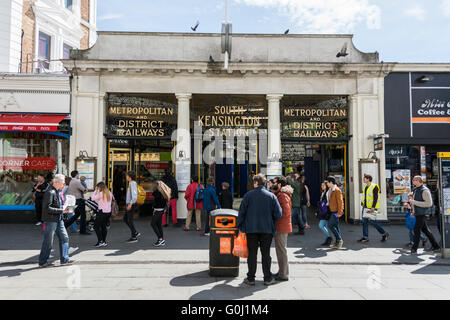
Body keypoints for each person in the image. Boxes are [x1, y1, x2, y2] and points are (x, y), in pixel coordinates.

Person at [237, 173, 282, 286]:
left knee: (252, 253)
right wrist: (271, 220)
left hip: (251, 229)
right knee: (266, 253)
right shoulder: (271, 196)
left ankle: (251, 278)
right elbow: (278, 214)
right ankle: (267, 278)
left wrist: (240, 226)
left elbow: (241, 212)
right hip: (267, 229)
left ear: (256, 183)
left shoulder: (248, 195)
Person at [38, 174, 73, 267]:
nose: (64, 184)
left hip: (59, 219)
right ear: (57, 182)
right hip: (51, 220)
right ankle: (42, 261)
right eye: (63, 182)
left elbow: (57, 204)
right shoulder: (50, 192)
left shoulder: (57, 191)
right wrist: (62, 210)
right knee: (48, 241)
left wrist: (65, 207)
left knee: (64, 237)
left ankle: (65, 259)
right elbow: (47, 208)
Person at [405, 176, 440, 255]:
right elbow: (415, 202)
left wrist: (414, 202)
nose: (412, 181)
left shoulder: (425, 190)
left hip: (422, 213)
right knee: (425, 230)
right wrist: (413, 211)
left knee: (416, 230)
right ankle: (436, 246)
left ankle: (414, 248)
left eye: (414, 180)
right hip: (418, 213)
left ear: (418, 181)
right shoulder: (416, 189)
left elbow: (429, 203)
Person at [357, 174, 389, 243]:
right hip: (365, 207)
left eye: (364, 178)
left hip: (371, 207)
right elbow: (365, 196)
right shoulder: (366, 186)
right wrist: (362, 202)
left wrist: (373, 207)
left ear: (368, 179)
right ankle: (365, 237)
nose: (363, 179)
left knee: (373, 221)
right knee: (364, 222)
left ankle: (384, 233)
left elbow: (375, 197)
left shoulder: (374, 186)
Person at [272, 176, 292, 281]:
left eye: (274, 182)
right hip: (281, 226)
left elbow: (286, 212)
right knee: (280, 250)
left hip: (281, 226)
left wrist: (274, 214)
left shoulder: (282, 196)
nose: (272, 184)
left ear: (279, 184)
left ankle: (283, 274)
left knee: (281, 250)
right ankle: (281, 271)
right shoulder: (280, 195)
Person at [91, 182, 113, 247]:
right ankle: (104, 241)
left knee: (96, 226)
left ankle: (100, 241)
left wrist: (95, 190)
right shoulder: (109, 193)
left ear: (100, 187)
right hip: (108, 212)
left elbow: (92, 198)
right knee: (103, 226)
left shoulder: (101, 193)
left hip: (102, 212)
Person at [151, 180, 171, 247]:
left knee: (153, 223)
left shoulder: (158, 193)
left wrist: (154, 208)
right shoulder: (164, 193)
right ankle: (162, 240)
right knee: (159, 225)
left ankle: (160, 239)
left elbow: (155, 200)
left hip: (158, 210)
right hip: (161, 210)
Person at [326, 176, 344, 249]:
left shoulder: (337, 190)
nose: (327, 183)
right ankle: (337, 243)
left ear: (331, 182)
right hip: (332, 211)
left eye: (327, 182)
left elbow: (340, 202)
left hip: (336, 212)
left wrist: (340, 212)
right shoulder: (330, 189)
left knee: (330, 225)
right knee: (336, 226)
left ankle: (339, 240)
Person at [124, 171, 140, 243]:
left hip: (131, 204)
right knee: (125, 219)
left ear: (130, 177)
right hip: (130, 203)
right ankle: (135, 232)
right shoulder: (131, 183)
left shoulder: (132, 183)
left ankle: (134, 237)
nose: (126, 177)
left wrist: (130, 204)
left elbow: (134, 196)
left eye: (126, 176)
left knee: (129, 220)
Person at [315, 182, 332, 246]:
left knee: (321, 225)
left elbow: (327, 203)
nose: (322, 186)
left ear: (326, 186)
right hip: (323, 212)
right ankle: (327, 241)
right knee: (325, 226)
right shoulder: (323, 193)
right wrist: (317, 211)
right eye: (321, 185)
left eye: (323, 185)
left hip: (326, 212)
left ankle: (329, 237)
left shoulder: (327, 193)